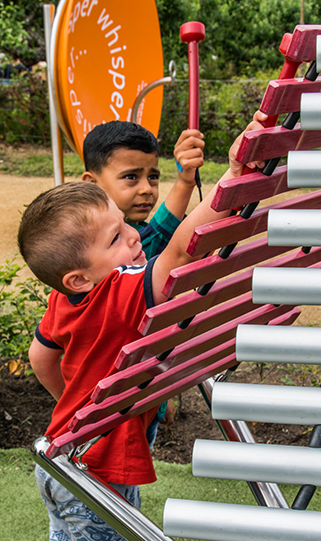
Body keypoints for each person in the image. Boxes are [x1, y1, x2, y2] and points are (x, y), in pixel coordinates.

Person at [18, 116, 265, 541]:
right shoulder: (119, 291)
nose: (133, 238)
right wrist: (235, 174)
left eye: (121, 225)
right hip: (98, 466)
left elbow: (39, 357)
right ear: (80, 276)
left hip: (61, 455)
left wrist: (80, 403)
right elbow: (177, 252)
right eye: (116, 239)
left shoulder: (66, 300)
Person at [81, 121, 205, 446]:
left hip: (140, 396)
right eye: (131, 177)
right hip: (110, 405)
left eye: (152, 176)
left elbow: (161, 229)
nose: (147, 188)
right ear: (91, 185)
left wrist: (184, 181)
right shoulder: (104, 256)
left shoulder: (133, 238)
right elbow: (163, 234)